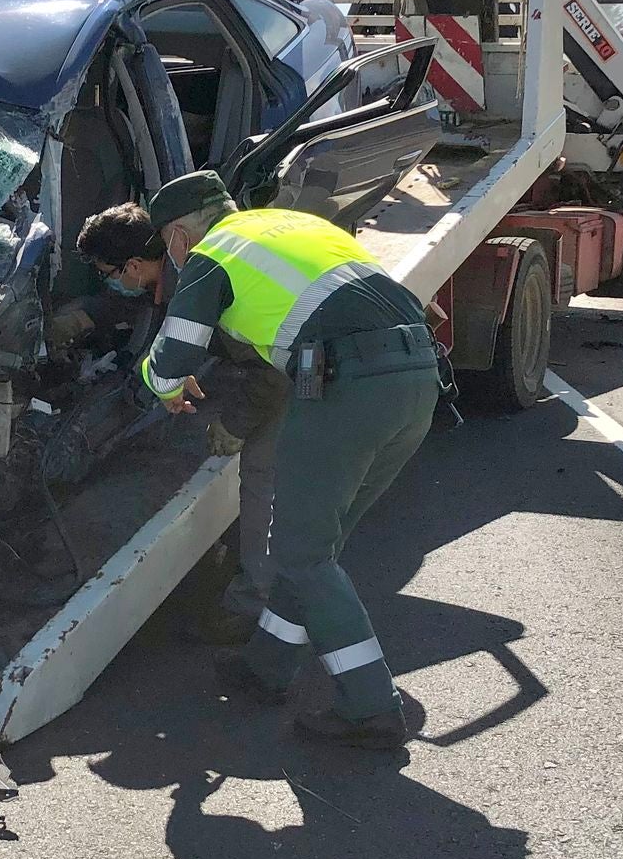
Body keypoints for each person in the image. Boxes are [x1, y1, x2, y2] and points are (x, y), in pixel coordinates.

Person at [138, 171, 440, 750]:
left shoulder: (211, 254)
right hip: (417, 378)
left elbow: (174, 355)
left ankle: (370, 708)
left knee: (301, 555)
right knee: (313, 547)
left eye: (168, 245)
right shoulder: (299, 225)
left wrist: (159, 383)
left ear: (177, 235)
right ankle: (265, 669)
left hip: (346, 388)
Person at [74, 201, 289, 643]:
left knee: (261, 479)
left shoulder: (200, 281)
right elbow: (147, 309)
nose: (112, 283)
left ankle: (256, 610)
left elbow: (271, 375)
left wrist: (236, 423)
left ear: (133, 264)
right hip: (303, 351)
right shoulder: (178, 268)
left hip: (300, 371)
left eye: (109, 273)